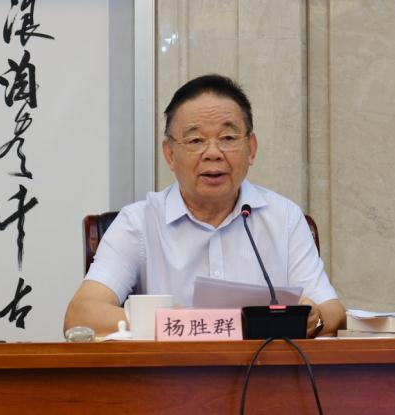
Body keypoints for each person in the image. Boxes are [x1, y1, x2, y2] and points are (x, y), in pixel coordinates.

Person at [64, 74, 346, 337]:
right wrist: (174, 324)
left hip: (266, 372)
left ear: (251, 148)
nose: (213, 153)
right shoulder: (139, 223)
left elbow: (334, 312)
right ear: (170, 154)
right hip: (170, 373)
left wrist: (315, 318)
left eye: (228, 138)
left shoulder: (284, 217)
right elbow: (81, 315)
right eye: (196, 140)